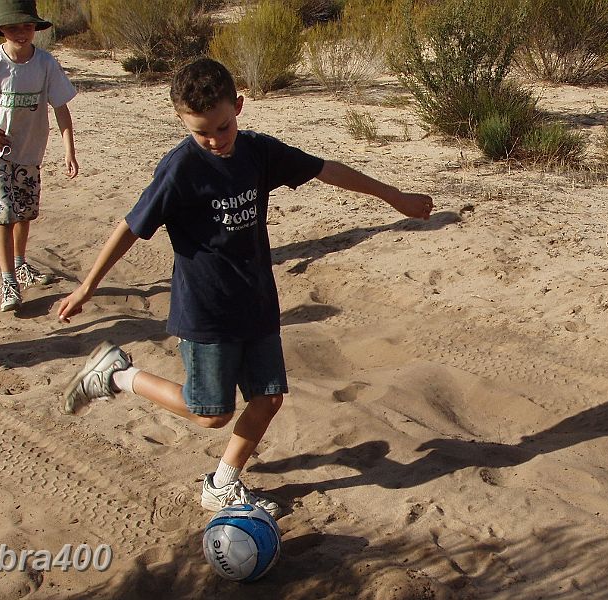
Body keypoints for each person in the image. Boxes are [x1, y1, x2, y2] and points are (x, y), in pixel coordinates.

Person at [56, 57, 433, 518]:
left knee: (269, 396)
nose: (215, 140)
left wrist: (394, 196)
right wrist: (88, 286)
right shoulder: (180, 169)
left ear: (238, 106)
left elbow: (325, 169)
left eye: (223, 126)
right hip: (206, 310)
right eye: (202, 133)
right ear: (182, 122)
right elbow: (130, 227)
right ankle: (117, 375)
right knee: (211, 413)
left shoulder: (257, 151)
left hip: (256, 300)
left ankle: (222, 482)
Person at [0, 0, 78, 312]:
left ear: (35, 28)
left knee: (24, 212)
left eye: (27, 26)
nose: (21, 32)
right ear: (1, 30)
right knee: (3, 214)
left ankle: (21, 264)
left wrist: (69, 149)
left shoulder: (45, 63)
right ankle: (10, 281)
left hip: (30, 149)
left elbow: (61, 106)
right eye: (13, 27)